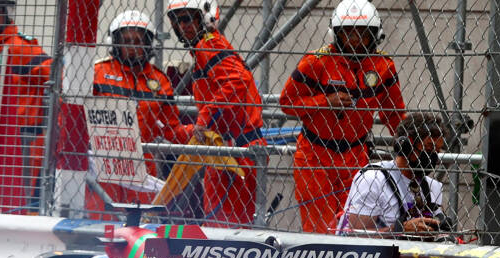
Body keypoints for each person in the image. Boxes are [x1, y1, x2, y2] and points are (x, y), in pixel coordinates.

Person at [279, 0, 405, 234]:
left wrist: (410, 143)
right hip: (314, 155)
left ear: (375, 36)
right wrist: (325, 102)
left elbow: (394, 115)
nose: (355, 41)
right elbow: (287, 103)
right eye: (349, 34)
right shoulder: (316, 62)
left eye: (362, 35)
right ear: (336, 35)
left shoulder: (383, 66)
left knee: (355, 227)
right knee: (320, 229)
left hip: (356, 155)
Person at [166, 0, 267, 226]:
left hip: (236, 152)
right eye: (176, 20)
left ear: (205, 17)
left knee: (224, 229)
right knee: (224, 226)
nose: (182, 26)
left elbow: (237, 81)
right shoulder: (206, 46)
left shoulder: (207, 45)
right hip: (229, 150)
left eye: (187, 19)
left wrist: (203, 119)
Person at [89, 10, 192, 210]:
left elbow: (172, 129)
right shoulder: (98, 73)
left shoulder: (160, 81)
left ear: (149, 45)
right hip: (103, 162)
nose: (132, 48)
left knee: (140, 225)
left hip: (143, 167)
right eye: (126, 41)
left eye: (138, 42)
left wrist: (197, 134)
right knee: (99, 225)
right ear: (114, 43)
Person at [0, 0, 51, 213]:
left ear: (4, 12)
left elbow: (55, 77)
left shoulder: (18, 46)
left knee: (16, 205)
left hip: (21, 140)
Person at [336, 112, 452, 234]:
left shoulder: (432, 187)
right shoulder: (374, 179)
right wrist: (399, 230)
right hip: (375, 252)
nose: (432, 157)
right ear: (406, 145)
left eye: (437, 151)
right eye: (429, 148)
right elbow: (354, 235)